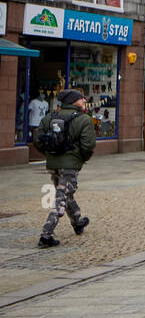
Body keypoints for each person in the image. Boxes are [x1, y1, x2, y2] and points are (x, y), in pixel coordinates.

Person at [36, 89, 95, 248]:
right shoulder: (83, 119)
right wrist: (80, 159)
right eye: (80, 98)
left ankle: (78, 222)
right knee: (61, 199)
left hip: (53, 165)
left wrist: (50, 154)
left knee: (65, 193)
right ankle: (46, 234)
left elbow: (38, 139)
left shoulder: (49, 117)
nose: (84, 100)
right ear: (73, 101)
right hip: (70, 166)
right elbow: (88, 146)